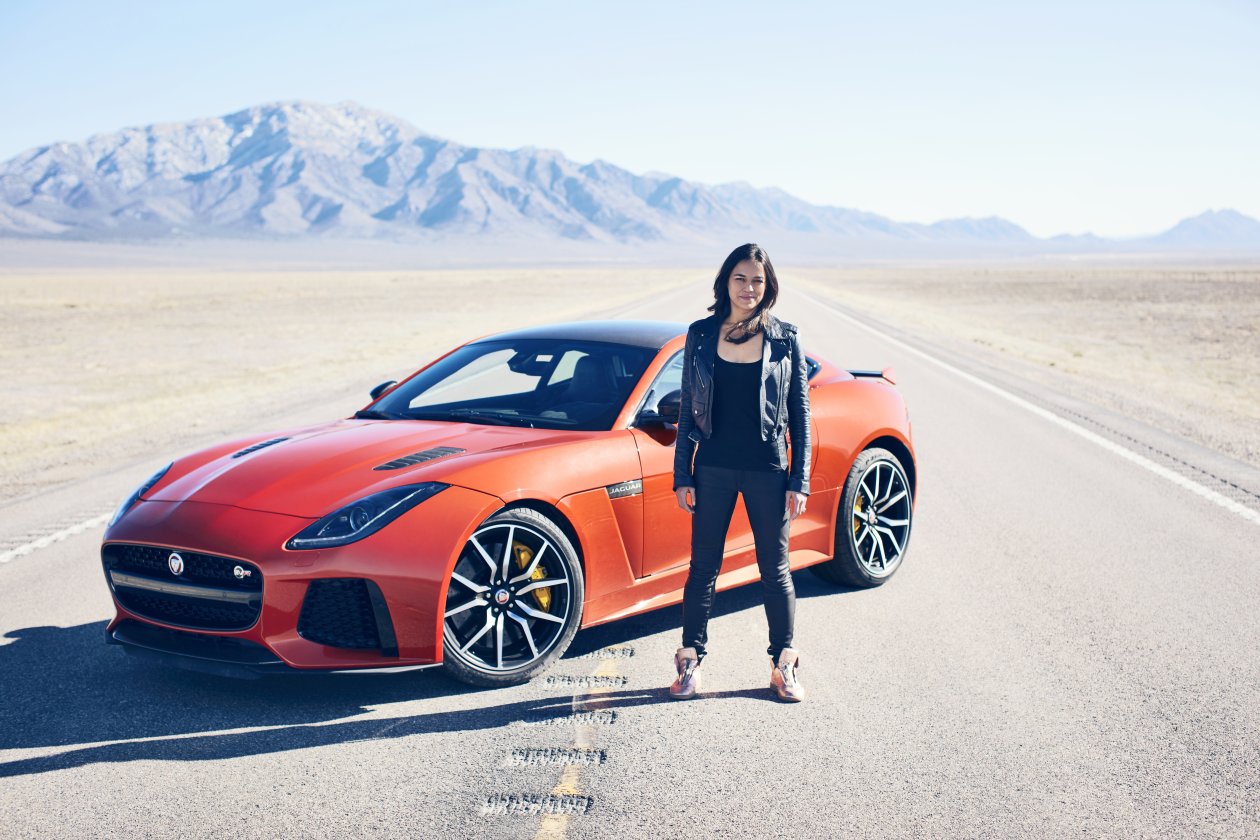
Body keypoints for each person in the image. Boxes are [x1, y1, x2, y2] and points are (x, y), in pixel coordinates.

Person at [669, 243, 811, 702]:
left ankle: (783, 664)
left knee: (775, 568)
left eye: (757, 280)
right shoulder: (702, 334)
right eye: (740, 278)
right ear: (725, 281)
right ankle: (690, 662)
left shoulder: (786, 338)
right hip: (711, 468)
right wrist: (682, 474)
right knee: (703, 568)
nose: (748, 288)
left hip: (768, 469)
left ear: (768, 287)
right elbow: (689, 409)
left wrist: (799, 479)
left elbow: (801, 415)